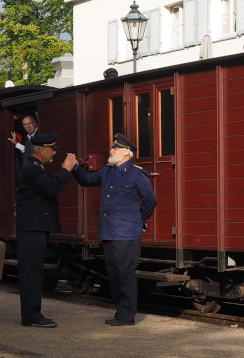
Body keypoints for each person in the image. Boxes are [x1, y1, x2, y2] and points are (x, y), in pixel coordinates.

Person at [73, 133, 157, 326]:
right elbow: (86, 180)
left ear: (127, 152)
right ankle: (120, 312)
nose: (111, 150)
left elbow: (151, 201)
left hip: (126, 233)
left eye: (116, 148)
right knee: (113, 274)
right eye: (112, 147)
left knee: (125, 273)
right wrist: (76, 168)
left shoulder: (137, 173)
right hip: (109, 231)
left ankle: (127, 316)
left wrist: (137, 220)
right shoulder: (107, 171)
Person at [14, 132, 78, 327]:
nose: (54, 153)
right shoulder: (32, 169)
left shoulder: (37, 167)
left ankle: (33, 314)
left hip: (35, 228)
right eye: (52, 149)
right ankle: (32, 316)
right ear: (41, 150)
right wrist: (66, 170)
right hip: (32, 229)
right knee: (31, 273)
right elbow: (51, 187)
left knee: (34, 272)